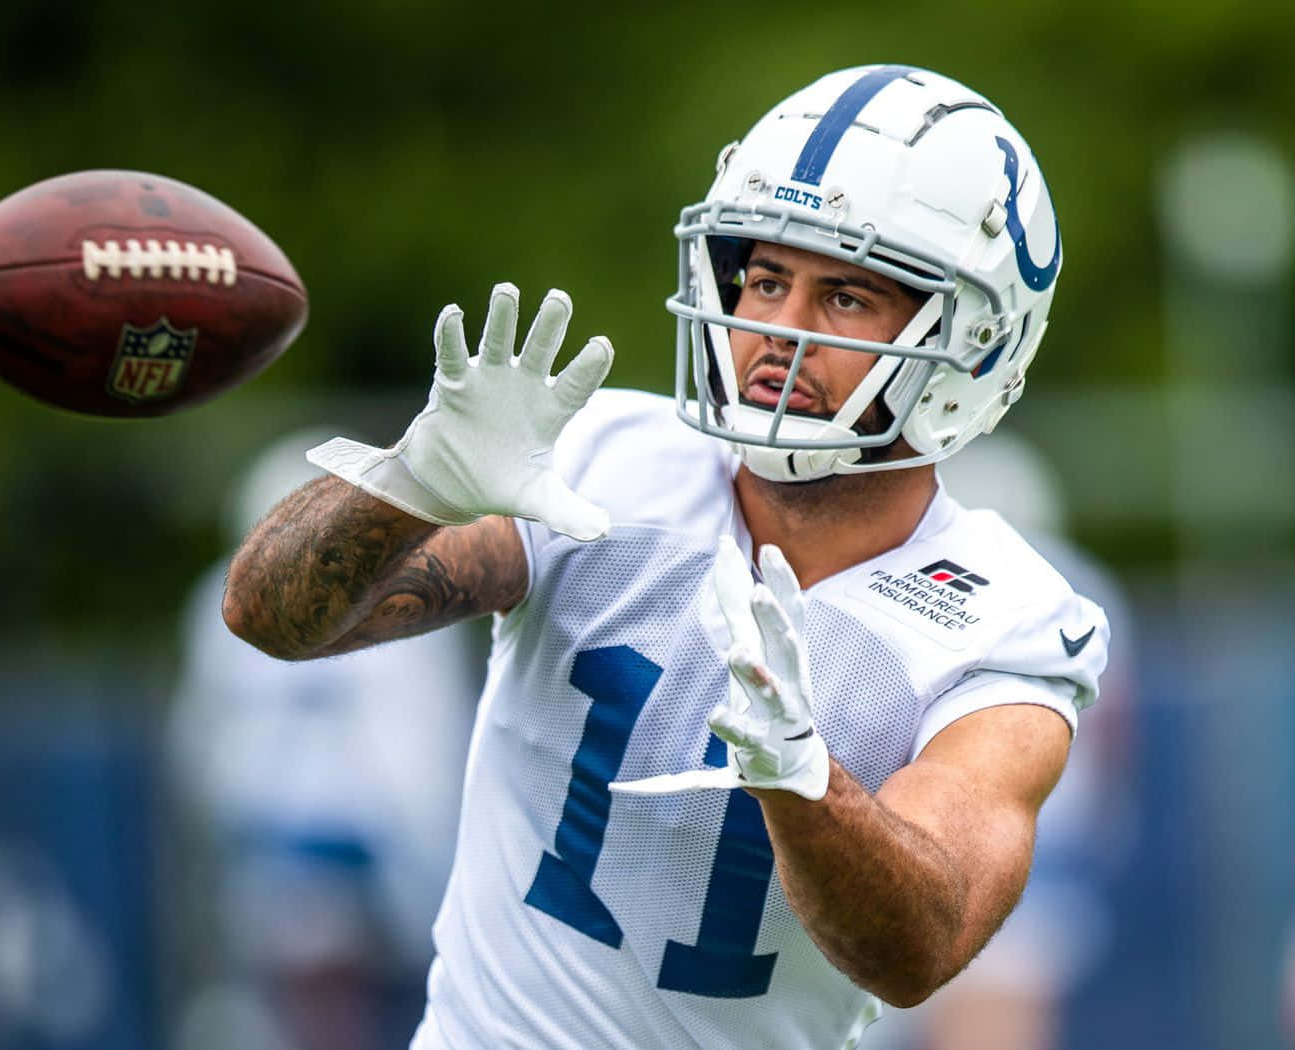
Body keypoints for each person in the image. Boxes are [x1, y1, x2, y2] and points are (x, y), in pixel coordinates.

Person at [223, 64, 1110, 1050]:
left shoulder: (1008, 619)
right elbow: (269, 618)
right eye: (766, 280)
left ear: (973, 347)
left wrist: (800, 778)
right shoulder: (605, 457)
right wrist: (409, 486)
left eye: (845, 297)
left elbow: (918, 950)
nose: (776, 331)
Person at [170, 428, 483, 1050]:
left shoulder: (219, 607)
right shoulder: (221, 609)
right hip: (305, 834)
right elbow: (430, 740)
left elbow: (201, 745)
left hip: (323, 836)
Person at [866, 432, 1139, 1050]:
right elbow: (1118, 743)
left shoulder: (926, 578)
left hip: (974, 841)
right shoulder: (1087, 588)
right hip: (1021, 845)